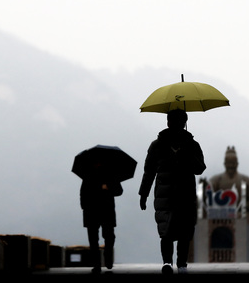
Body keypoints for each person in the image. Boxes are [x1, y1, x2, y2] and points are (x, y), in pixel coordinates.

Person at [139, 109, 206, 274]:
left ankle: (173, 262)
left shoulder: (188, 145)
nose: (175, 124)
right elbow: (149, 171)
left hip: (170, 193)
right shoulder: (161, 145)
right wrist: (143, 194)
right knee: (172, 230)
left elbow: (199, 168)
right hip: (178, 194)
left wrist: (144, 194)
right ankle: (175, 263)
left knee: (176, 230)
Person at [80, 175, 123, 274]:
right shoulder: (88, 177)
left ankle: (107, 257)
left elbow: (119, 191)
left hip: (105, 211)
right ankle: (97, 264)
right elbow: (83, 193)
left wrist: (108, 187)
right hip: (92, 211)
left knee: (109, 237)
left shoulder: (110, 176)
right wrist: (84, 207)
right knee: (93, 239)